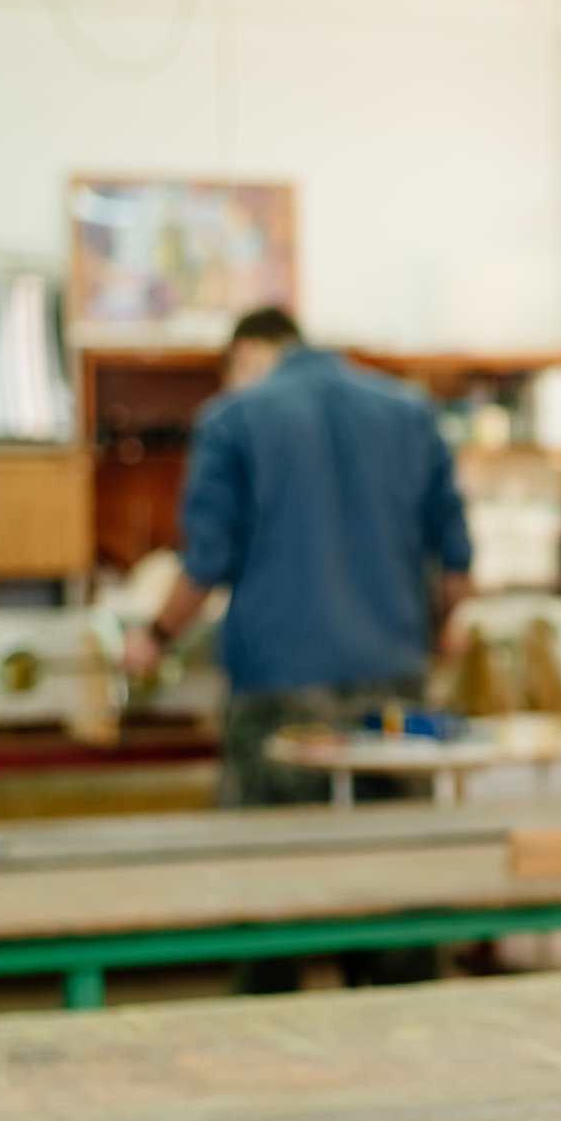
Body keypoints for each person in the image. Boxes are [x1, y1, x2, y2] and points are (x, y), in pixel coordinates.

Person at [123, 306, 473, 988]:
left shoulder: (234, 417)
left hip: (278, 694)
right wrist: (439, 625)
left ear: (249, 351)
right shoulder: (410, 412)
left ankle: (273, 1050)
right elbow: (455, 559)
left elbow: (207, 560)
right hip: (392, 689)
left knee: (273, 889)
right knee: (394, 886)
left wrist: (154, 636)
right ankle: (408, 1046)